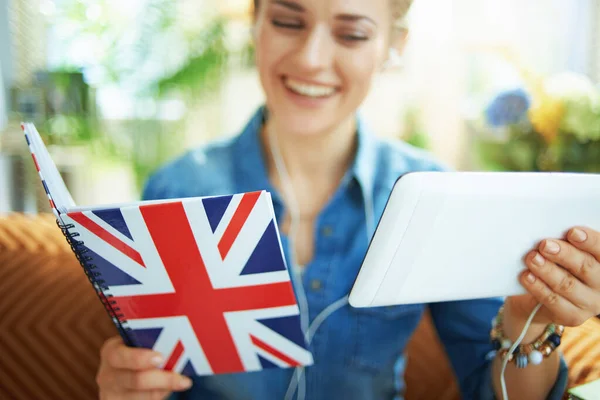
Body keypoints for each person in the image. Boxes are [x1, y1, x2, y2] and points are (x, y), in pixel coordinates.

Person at [96, 0, 600, 399]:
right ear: (255, 22)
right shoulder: (176, 191)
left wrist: (527, 321)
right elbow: (156, 374)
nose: (312, 58)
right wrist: (127, 387)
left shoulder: (432, 196)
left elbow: (495, 393)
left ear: (392, 44)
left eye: (352, 33)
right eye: (288, 21)